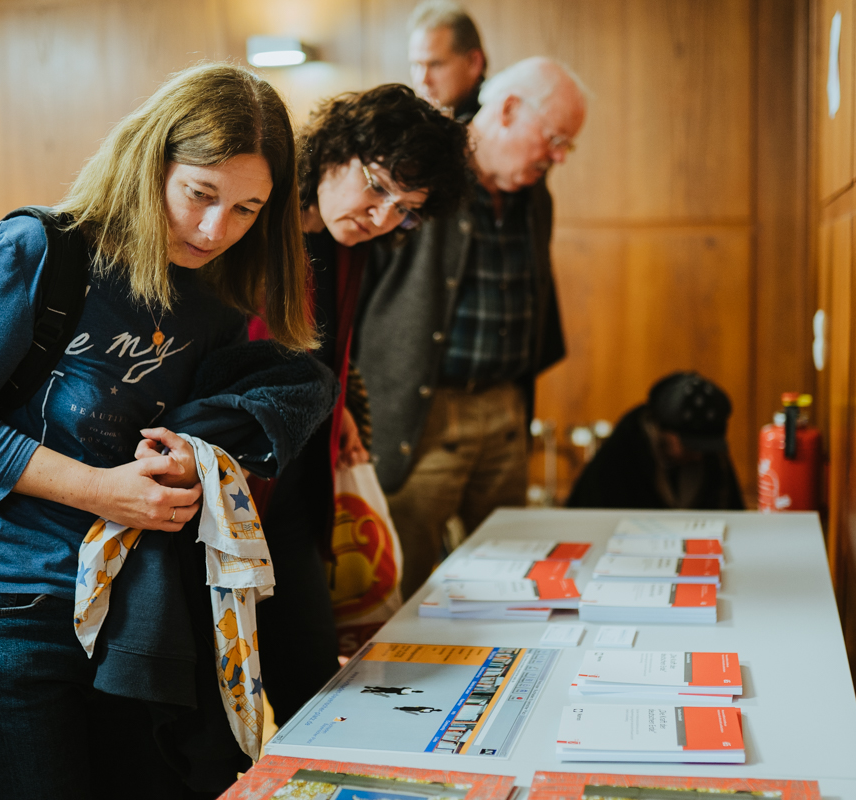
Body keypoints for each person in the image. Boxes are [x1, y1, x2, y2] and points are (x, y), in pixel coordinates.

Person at [0, 63, 314, 800]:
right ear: (148, 161)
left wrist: (196, 462)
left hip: (129, 622)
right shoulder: (38, 250)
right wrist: (102, 491)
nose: (215, 229)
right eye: (200, 193)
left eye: (248, 209)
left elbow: (178, 434)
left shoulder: (215, 298)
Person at [253, 84, 468, 725]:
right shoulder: (253, 219)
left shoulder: (351, 246)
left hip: (294, 493)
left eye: (405, 208)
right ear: (336, 151)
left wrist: (336, 403)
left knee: (316, 688)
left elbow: (317, 349)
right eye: (376, 188)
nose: (381, 216)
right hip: (226, 493)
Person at [355, 57, 588, 599]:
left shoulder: (535, 193)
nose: (558, 156)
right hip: (423, 415)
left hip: (506, 410)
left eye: (566, 146)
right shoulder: (421, 168)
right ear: (507, 110)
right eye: (554, 139)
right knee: (400, 589)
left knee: (514, 584)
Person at [566, 371, 746, 510]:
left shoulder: (710, 451)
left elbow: (731, 510)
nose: (699, 456)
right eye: (690, 446)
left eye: (705, 448)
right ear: (663, 431)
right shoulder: (625, 448)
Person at [407, 0, 487, 120]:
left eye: (435, 64)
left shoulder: (497, 120)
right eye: (416, 65)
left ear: (474, 62)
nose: (423, 79)